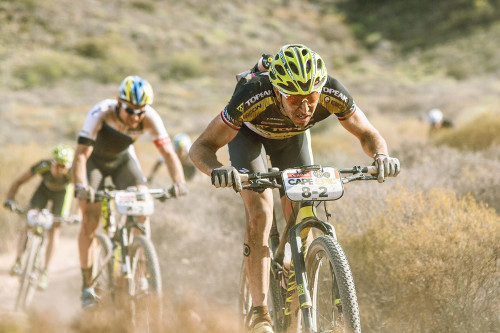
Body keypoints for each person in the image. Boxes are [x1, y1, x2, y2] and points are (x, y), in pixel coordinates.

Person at [189, 44, 400, 333]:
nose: (305, 108)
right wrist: (218, 171)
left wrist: (381, 157)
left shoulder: (332, 91)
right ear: (276, 91)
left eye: (311, 98)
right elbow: (201, 147)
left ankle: (294, 310)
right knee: (260, 213)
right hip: (249, 138)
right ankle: (260, 314)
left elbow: (367, 133)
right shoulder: (253, 94)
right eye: (294, 99)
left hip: (292, 141)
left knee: (301, 221)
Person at [72, 75, 187, 309]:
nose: (135, 117)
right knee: (90, 220)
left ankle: (142, 271)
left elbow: (168, 153)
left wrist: (179, 181)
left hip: (123, 162)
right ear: (118, 102)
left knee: (142, 199)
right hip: (95, 162)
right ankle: (87, 286)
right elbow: (81, 155)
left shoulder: (150, 118)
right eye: (129, 110)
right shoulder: (100, 113)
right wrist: (81, 186)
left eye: (140, 111)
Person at [4, 144, 75, 290]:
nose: (59, 169)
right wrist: (10, 199)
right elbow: (19, 181)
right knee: (30, 222)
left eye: (63, 166)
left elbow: (81, 195)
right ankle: (18, 260)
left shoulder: (73, 173)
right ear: (52, 162)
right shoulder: (43, 165)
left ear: (68, 167)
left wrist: (78, 215)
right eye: (57, 165)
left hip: (62, 195)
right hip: (43, 191)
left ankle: (45, 271)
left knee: (55, 230)